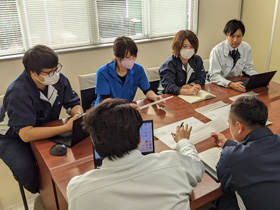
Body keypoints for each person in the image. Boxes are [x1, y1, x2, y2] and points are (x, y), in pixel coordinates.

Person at [67, 99, 204, 210]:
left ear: (94, 141)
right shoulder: (174, 164)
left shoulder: (79, 191)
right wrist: (183, 141)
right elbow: (198, 168)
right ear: (139, 136)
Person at [0, 45, 83, 193]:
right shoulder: (18, 92)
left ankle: (64, 192)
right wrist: (66, 128)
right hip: (13, 137)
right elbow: (26, 134)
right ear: (33, 73)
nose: (54, 74)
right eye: (49, 72)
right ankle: (46, 196)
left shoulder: (58, 80)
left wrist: (77, 115)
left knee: (77, 148)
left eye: (56, 69)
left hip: (45, 127)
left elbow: (72, 103)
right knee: (27, 170)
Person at [211, 96, 280, 209]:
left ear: (238, 126)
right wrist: (227, 143)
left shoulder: (230, 157)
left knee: (224, 199)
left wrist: (229, 148)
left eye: (229, 124)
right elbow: (257, 149)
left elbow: (225, 186)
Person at [94, 36, 165, 107]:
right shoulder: (103, 72)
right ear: (116, 56)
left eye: (134, 56)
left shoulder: (138, 69)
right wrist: (127, 107)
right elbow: (106, 100)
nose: (131, 60)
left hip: (126, 110)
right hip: (106, 110)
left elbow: (147, 90)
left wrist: (155, 97)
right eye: (127, 57)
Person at [208, 19, 258, 92]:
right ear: (226, 35)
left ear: (242, 36)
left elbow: (248, 68)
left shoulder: (246, 48)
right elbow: (214, 76)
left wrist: (259, 78)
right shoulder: (217, 50)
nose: (235, 40)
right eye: (232, 36)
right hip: (219, 86)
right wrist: (230, 84)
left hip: (237, 84)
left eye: (239, 36)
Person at [159, 30, 206, 95]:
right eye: (184, 46)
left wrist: (191, 85)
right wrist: (188, 91)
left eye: (191, 47)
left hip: (189, 96)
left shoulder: (197, 60)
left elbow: (201, 77)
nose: (188, 49)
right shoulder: (169, 63)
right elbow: (169, 87)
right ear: (177, 46)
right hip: (168, 97)